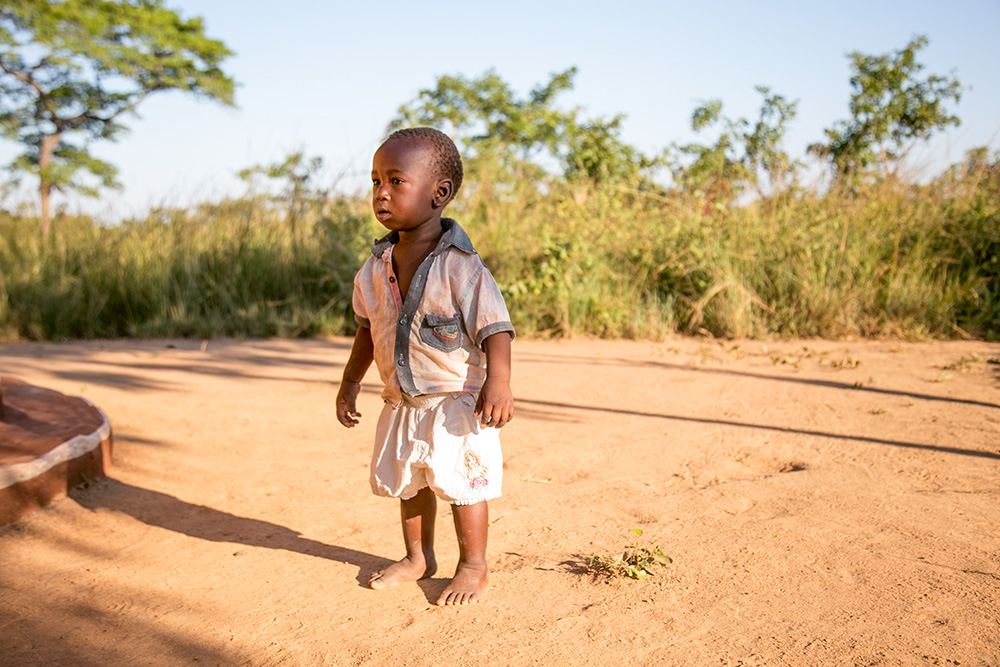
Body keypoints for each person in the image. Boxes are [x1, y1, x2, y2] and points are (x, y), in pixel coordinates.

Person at [335, 127, 515, 606]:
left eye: (396, 181)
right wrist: (350, 382)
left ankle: (473, 566)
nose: (382, 193)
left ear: (440, 193)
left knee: (462, 484)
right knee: (410, 481)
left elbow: (495, 327)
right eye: (375, 181)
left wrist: (499, 382)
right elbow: (365, 330)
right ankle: (419, 558)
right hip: (401, 399)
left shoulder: (462, 266)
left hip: (456, 399)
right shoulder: (373, 269)